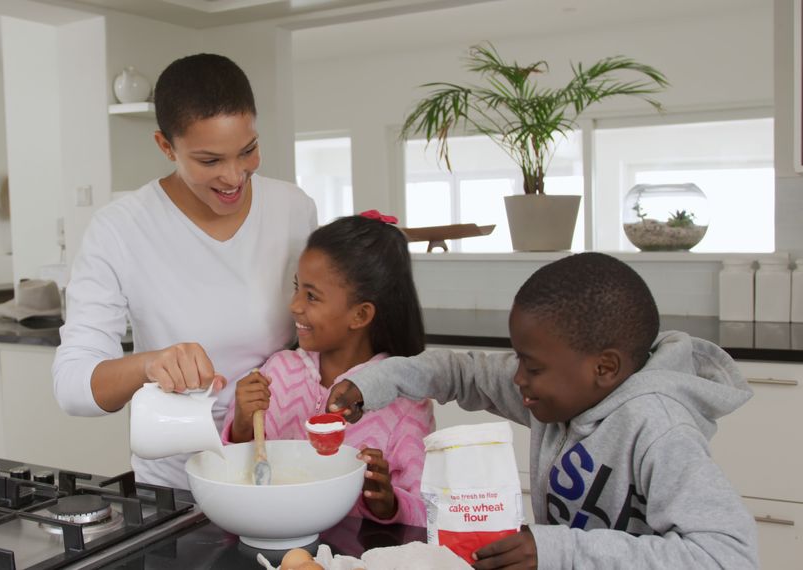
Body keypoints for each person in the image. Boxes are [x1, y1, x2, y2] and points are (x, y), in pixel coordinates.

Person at [326, 252, 759, 569]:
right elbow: (460, 371)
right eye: (518, 360)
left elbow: (727, 556)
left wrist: (558, 551)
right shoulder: (563, 392)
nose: (517, 379)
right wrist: (372, 382)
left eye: (532, 367)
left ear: (603, 367)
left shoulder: (661, 431)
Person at [53, 53, 317, 489]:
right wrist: (150, 365)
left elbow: (320, 331)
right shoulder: (120, 229)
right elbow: (72, 386)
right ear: (165, 146)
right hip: (178, 484)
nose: (235, 176)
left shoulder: (293, 208)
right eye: (210, 161)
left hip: (285, 466)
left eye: (248, 151)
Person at [222, 213, 435, 526]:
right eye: (297, 288)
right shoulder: (278, 372)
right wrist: (241, 424)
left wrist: (387, 503)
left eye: (311, 296)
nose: (295, 305)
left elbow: (425, 513)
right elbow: (233, 471)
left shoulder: (405, 402)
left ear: (360, 315)